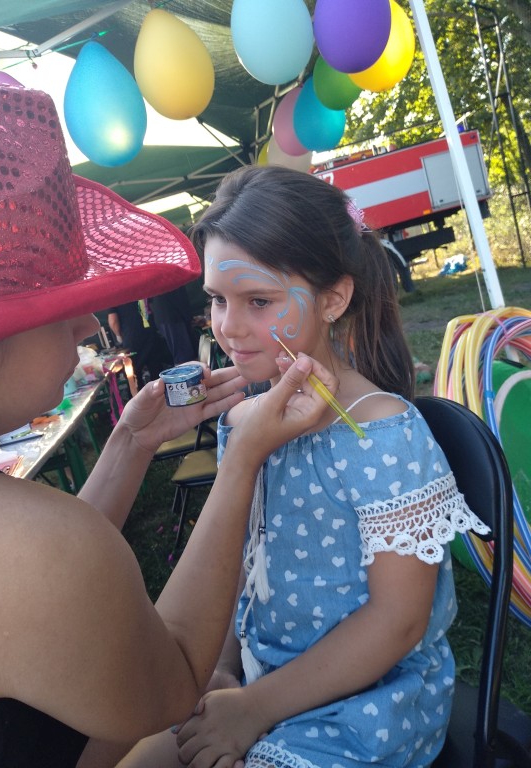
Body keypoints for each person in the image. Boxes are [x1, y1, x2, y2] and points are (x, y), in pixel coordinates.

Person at [0, 80, 337, 768]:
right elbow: (177, 680)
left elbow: (41, 579)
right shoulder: (10, 546)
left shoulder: (4, 541)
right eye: (57, 304)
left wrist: (132, 442)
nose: (87, 323)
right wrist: (242, 461)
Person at [125, 164, 490, 768]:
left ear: (333, 299)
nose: (228, 327)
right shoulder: (248, 420)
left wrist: (255, 707)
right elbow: (239, 558)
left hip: (366, 713)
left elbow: (398, 622)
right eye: (216, 299)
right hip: (256, 681)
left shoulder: (382, 438)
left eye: (258, 301)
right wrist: (218, 666)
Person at [107, 300, 170, 389]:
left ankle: (139, 395)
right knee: (156, 370)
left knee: (134, 375)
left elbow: (113, 320)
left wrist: (118, 335)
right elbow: (152, 307)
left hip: (131, 338)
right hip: (150, 333)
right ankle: (161, 394)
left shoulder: (113, 297)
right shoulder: (139, 292)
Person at [150, 285, 199, 365]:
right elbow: (178, 296)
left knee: (186, 354)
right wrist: (188, 316)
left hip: (167, 316)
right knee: (184, 356)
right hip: (172, 316)